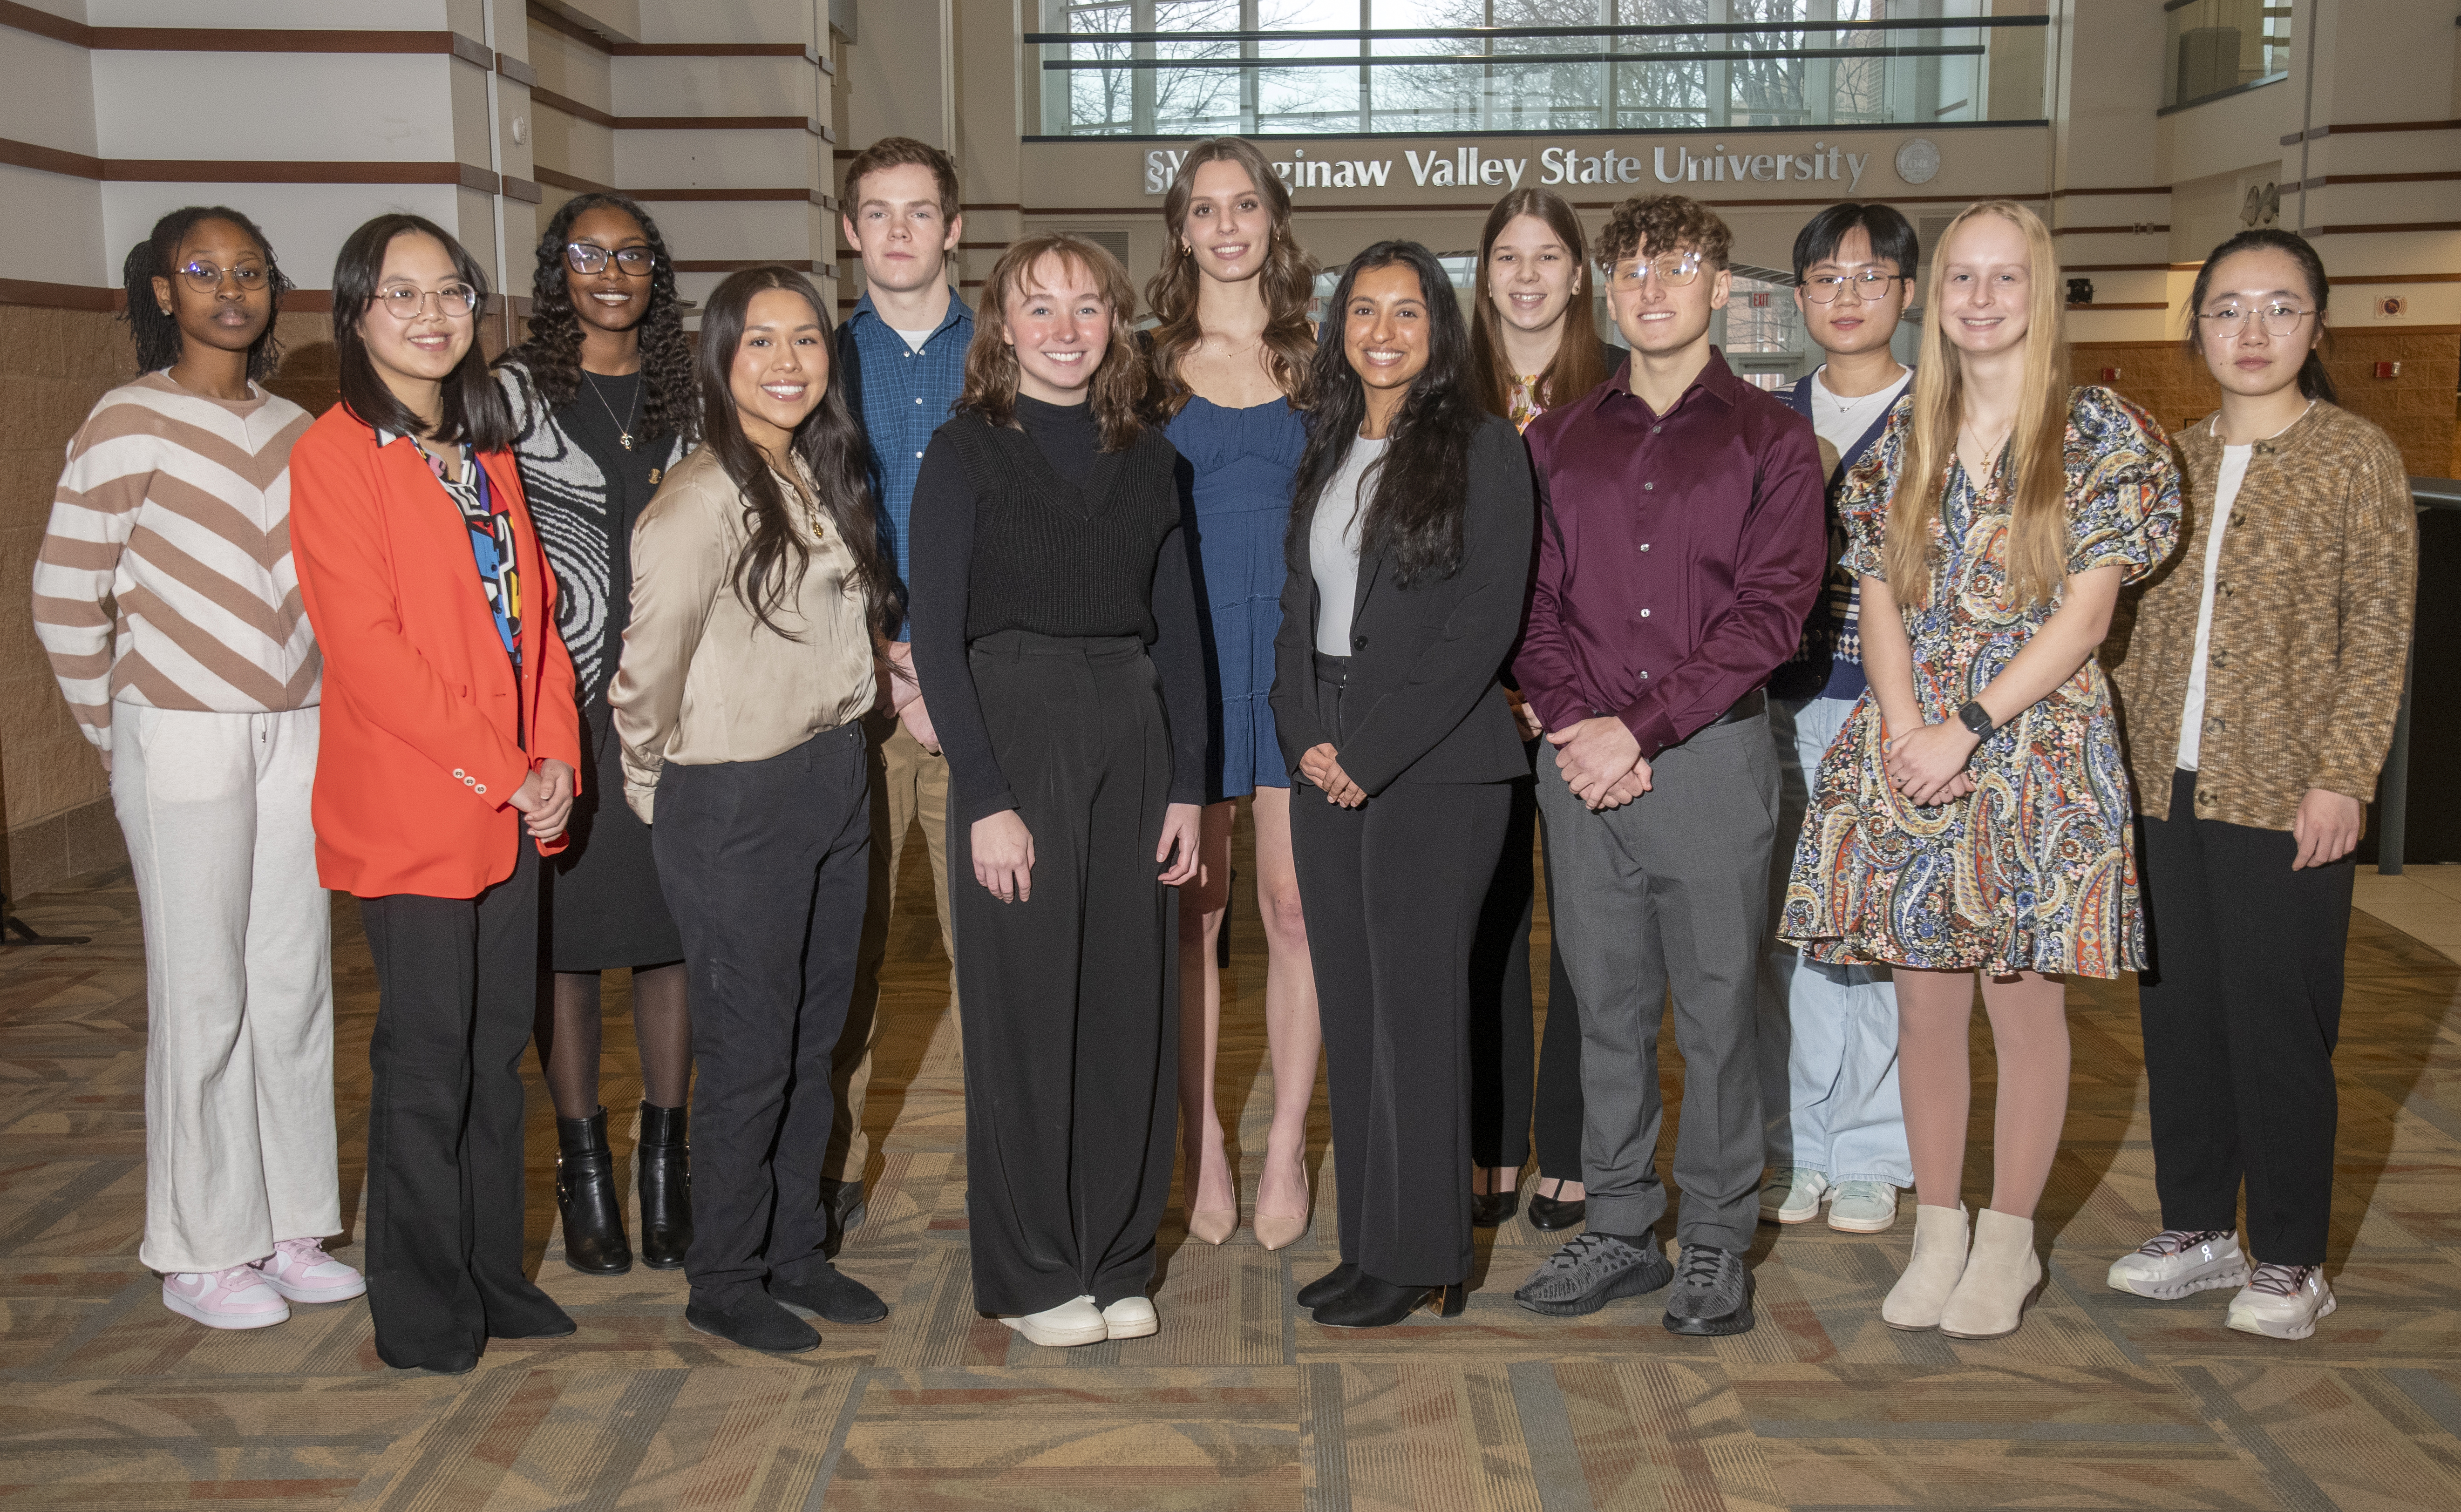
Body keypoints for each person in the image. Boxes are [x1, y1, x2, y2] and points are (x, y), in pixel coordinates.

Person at [1779, 200, 2180, 1342]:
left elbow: (2087, 616)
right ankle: (1937, 1225)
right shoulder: (1904, 434)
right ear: (1936, 295)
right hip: (1906, 748)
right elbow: (1879, 595)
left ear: (2038, 292)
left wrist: (1966, 726)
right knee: (1921, 1004)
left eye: (2005, 279)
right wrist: (1908, 731)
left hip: (2034, 745)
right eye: (1962, 277)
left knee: (2022, 1003)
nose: (1980, 299)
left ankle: (2006, 1243)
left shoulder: (2102, 432)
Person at [35, 206, 355, 1331]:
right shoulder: (125, 419)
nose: (231, 288)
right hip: (179, 731)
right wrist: (121, 728)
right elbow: (66, 593)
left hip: (297, 728)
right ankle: (200, 1248)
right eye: (203, 271)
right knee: (203, 989)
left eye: (251, 270)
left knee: (291, 979)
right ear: (161, 292)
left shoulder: (297, 426)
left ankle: (291, 1225)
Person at [1512, 194, 1826, 1337]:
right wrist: (1572, 718)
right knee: (1602, 1005)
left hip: (1706, 757)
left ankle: (1711, 1242)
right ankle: (1616, 1225)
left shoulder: (1771, 437)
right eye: (1631, 267)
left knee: (1714, 1014)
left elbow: (1771, 614)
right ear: (1606, 287)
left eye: (1676, 264)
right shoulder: (1552, 438)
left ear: (1717, 285)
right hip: (1578, 760)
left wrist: (1631, 731)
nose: (1650, 286)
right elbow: (1528, 604)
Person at [2104, 229, 2414, 1341]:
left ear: (2315, 327)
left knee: (2276, 1024)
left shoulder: (2353, 457)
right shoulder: (2166, 459)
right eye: (2226, 308)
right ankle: (2196, 1225)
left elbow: (2376, 630)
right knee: (2178, 1016)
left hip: (2283, 792)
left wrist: (2343, 775)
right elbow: (2121, 628)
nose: (2250, 330)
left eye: (2277, 307)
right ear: (2195, 331)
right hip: (2162, 789)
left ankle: (2288, 1252)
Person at [289, 213, 582, 1374]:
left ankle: (492, 1272)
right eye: (399, 295)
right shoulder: (334, 454)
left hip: (511, 805)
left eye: (449, 291)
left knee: (495, 1047)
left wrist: (554, 761)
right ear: (357, 316)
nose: (429, 314)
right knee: (425, 1055)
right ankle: (418, 1305)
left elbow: (538, 625)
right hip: (420, 805)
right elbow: (370, 653)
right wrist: (506, 773)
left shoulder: (483, 447)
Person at [908, 233, 1206, 1348]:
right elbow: (935, 636)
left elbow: (1182, 634)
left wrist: (1187, 785)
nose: (1067, 328)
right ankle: (1035, 1271)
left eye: (1088, 308)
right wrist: (982, 794)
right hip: (1012, 730)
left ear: (1115, 326)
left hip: (1132, 731)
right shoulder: (963, 453)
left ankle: (1117, 1253)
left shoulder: (1152, 457)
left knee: (1129, 1007)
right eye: (1041, 309)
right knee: (1026, 1012)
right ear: (1002, 327)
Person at [607, 266, 894, 1354]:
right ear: (721, 359)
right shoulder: (697, 498)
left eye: (806, 340)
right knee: (746, 1049)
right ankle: (723, 1272)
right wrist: (662, 791)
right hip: (734, 798)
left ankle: (793, 1250)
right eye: (760, 342)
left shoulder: (812, 472)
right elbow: (644, 672)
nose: (787, 362)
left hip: (830, 777)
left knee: (817, 1034)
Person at [1275, 240, 1536, 1328]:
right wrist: (1304, 735)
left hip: (1436, 762)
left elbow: (1482, 628)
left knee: (1418, 1013)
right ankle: (1369, 1242)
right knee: (1355, 1005)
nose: (1380, 332)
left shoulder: (1483, 448)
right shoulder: (1326, 440)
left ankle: (1423, 1253)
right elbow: (1293, 608)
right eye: (1362, 312)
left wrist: (1368, 753)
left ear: (1439, 332)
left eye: (1406, 314)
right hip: (1324, 744)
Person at [496, 192, 697, 1276]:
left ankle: (666, 1157)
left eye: (631, 255)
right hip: (554, 706)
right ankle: (584, 1170)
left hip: (674, 711)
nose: (610, 272)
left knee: (672, 937)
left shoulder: (690, 391)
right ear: (556, 268)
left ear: (655, 272)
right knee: (563, 946)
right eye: (588, 254)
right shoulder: (512, 394)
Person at [1144, 137, 1320, 1251]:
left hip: (1294, 662)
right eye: (1203, 207)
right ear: (1180, 229)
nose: (1224, 225)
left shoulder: (1322, 357)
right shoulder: (1149, 363)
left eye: (1242, 203)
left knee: (1295, 912)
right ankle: (1202, 1139)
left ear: (1271, 220)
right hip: (1187, 667)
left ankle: (1288, 1141)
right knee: (1194, 920)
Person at [1755, 203, 1920, 1237]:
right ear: (1800, 294)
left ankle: (1870, 1149)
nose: (1845, 295)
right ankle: (1793, 1143)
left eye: (1867, 276)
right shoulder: (1767, 419)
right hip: (1777, 705)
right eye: (1823, 277)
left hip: (1895, 714)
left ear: (1905, 291)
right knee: (1789, 937)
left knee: (1877, 938)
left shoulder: (1944, 414)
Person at [832, 136, 974, 1252]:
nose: (895, 232)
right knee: (848, 942)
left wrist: (949, 660)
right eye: (875, 213)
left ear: (952, 228)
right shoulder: (816, 359)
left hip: (983, 696)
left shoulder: (1013, 353)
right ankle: (828, 1169)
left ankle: (1012, 1164)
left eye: (916, 212)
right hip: (857, 695)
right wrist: (885, 648)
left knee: (1001, 946)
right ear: (850, 232)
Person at [1463, 186, 1609, 1233]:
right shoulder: (1446, 389)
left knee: (1592, 940)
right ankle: (1486, 1138)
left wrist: (1556, 686)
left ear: (1575, 275)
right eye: (1507, 256)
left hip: (1586, 704)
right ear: (1483, 275)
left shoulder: (1615, 390)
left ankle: (1570, 1143)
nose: (1526, 275)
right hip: (1471, 704)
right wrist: (1494, 679)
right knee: (1486, 923)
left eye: (1546, 256)